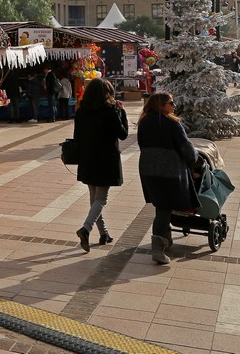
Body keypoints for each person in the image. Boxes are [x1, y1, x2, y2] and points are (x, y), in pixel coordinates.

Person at [136, 92, 202, 265]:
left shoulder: (144, 122)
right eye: (170, 103)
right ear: (160, 105)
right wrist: (196, 160)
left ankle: (166, 239)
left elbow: (142, 144)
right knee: (164, 208)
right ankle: (157, 249)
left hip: (148, 169)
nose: (174, 106)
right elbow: (187, 149)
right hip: (168, 171)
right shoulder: (173, 124)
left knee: (161, 205)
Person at [73, 78, 129, 252]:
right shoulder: (110, 111)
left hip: (88, 158)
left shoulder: (81, 111)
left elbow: (77, 138)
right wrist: (122, 112)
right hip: (105, 160)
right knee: (101, 199)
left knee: (94, 197)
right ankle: (86, 229)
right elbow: (123, 134)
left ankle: (103, 233)